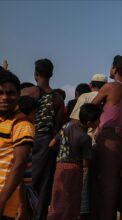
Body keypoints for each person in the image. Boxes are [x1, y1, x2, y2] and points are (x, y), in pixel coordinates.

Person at [90, 55, 122, 219]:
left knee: (102, 182)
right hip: (121, 138)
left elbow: (90, 107)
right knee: (113, 183)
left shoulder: (110, 87)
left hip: (107, 137)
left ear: (114, 69)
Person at [22, 58, 64, 220]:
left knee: (25, 181)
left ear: (36, 74)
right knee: (43, 185)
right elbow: (57, 129)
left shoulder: (27, 93)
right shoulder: (58, 99)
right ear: (51, 74)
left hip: (27, 139)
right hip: (47, 144)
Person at [47, 103, 101, 220]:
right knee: (71, 202)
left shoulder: (67, 125)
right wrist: (94, 148)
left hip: (60, 166)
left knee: (57, 200)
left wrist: (63, 151)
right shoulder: (85, 138)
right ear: (89, 123)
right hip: (74, 170)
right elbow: (86, 163)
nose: (99, 123)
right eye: (97, 121)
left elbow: (51, 144)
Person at [0, 71, 34, 219]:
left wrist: (2, 200)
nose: (5, 97)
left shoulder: (21, 124)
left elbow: (20, 165)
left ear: (19, 94)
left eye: (10, 93)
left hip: (5, 199)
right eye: (0, 92)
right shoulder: (3, 121)